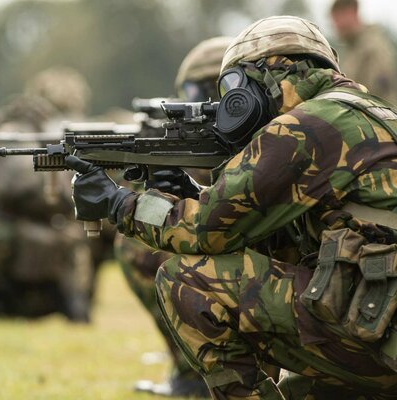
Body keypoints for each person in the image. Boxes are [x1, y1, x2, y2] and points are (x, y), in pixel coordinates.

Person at [65, 15, 397, 399]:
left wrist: (118, 203)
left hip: (377, 333)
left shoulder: (304, 125)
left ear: (262, 77)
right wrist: (192, 191)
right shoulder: (373, 114)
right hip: (380, 329)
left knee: (186, 278)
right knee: (300, 392)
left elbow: (204, 231)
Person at [122, 36, 232, 398]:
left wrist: (122, 206)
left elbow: (223, 216)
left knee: (169, 265)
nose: (190, 100)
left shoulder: (274, 137)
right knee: (136, 243)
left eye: (196, 89)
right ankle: (192, 371)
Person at [0, 67, 99, 322]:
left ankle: (78, 307)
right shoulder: (18, 131)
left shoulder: (81, 133)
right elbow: (18, 187)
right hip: (23, 232)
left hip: (59, 230)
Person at [330, 0, 397, 105]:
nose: (336, 25)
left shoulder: (372, 46)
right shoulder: (354, 47)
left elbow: (376, 93)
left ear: (352, 12)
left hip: (375, 117)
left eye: (338, 19)